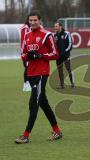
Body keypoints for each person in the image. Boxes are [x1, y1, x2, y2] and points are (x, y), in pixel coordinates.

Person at [15, 10, 62, 144]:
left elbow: (55, 54)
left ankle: (25, 135)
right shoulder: (27, 35)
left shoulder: (47, 35)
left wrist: (41, 55)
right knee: (43, 103)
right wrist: (28, 56)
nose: (33, 22)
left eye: (35, 20)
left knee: (33, 103)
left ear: (40, 21)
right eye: (31, 20)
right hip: (31, 73)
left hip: (42, 73)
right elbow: (22, 54)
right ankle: (57, 131)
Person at [54, 22, 74, 89]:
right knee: (60, 71)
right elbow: (54, 45)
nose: (55, 28)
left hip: (65, 56)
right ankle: (62, 85)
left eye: (56, 26)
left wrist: (65, 51)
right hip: (58, 57)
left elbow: (70, 44)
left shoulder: (67, 33)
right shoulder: (55, 35)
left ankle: (72, 83)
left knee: (68, 69)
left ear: (60, 26)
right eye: (55, 26)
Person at [20, 16, 31, 92]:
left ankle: (28, 83)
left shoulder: (29, 27)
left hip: (30, 50)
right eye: (30, 20)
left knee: (29, 67)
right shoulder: (25, 28)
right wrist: (24, 52)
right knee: (27, 67)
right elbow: (24, 40)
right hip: (26, 51)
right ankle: (26, 84)